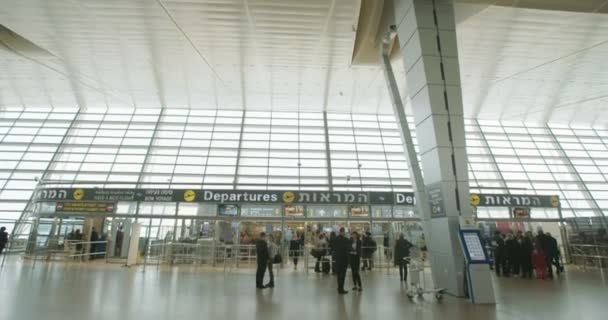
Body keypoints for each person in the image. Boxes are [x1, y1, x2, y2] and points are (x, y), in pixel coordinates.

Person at [334, 228, 350, 294]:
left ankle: (339, 288)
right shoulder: (346, 240)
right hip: (344, 259)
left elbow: (333, 247)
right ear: (343, 232)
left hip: (337, 259)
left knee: (339, 275)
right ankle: (341, 289)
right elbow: (348, 249)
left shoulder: (336, 239)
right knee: (342, 275)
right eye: (344, 232)